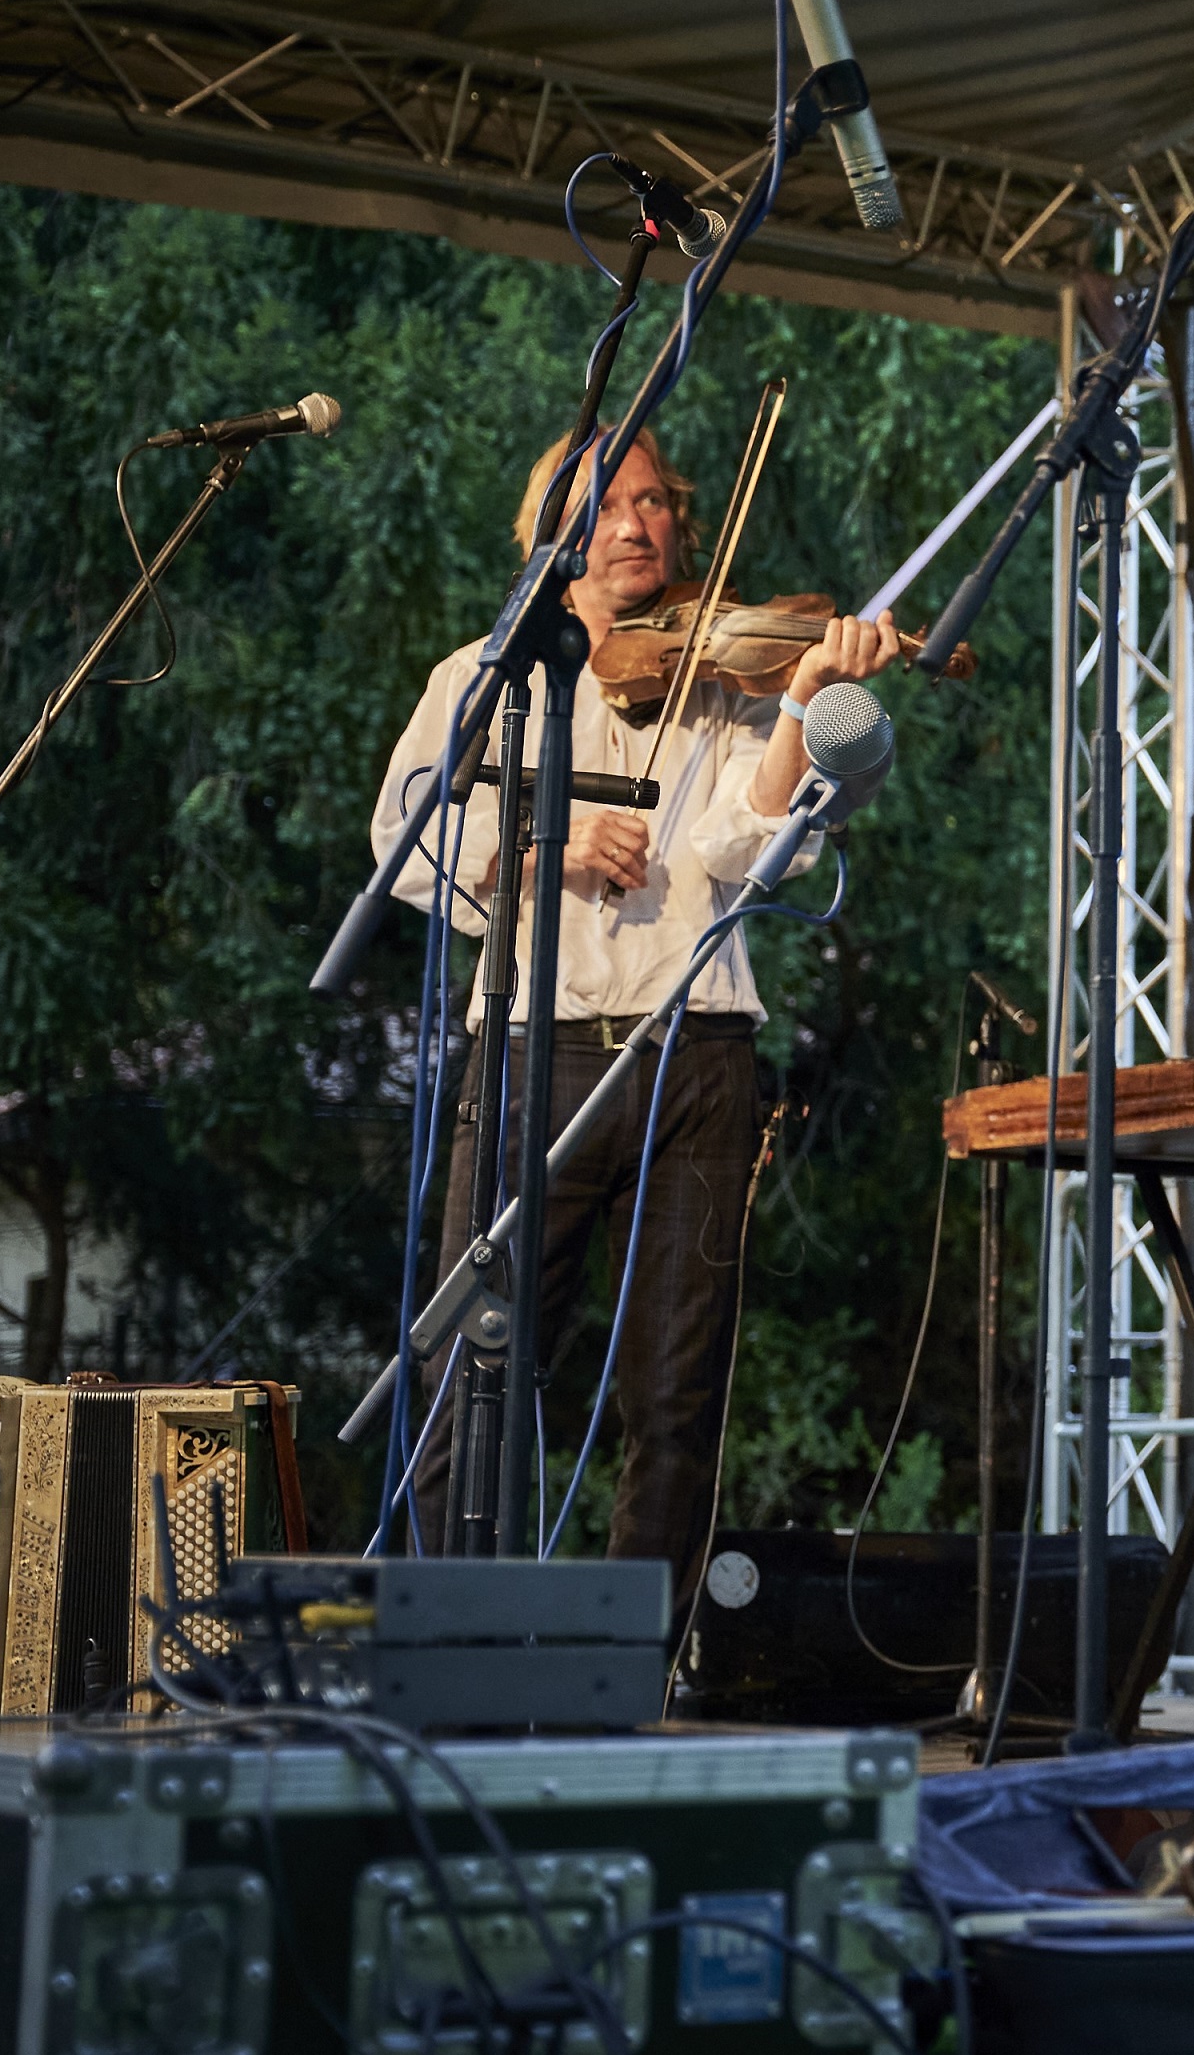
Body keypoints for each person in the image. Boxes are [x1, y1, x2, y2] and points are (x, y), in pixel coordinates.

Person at [375, 429, 900, 1602]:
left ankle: (639, 1666)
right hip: (533, 1052)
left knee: (676, 1394)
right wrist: (541, 845)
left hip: (696, 1054)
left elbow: (740, 852)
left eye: (655, 500)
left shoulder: (724, 679)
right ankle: (454, 1639)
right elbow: (403, 837)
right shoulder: (483, 677)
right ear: (548, 532)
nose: (634, 523)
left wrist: (801, 702)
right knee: (475, 1367)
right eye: (607, 503)